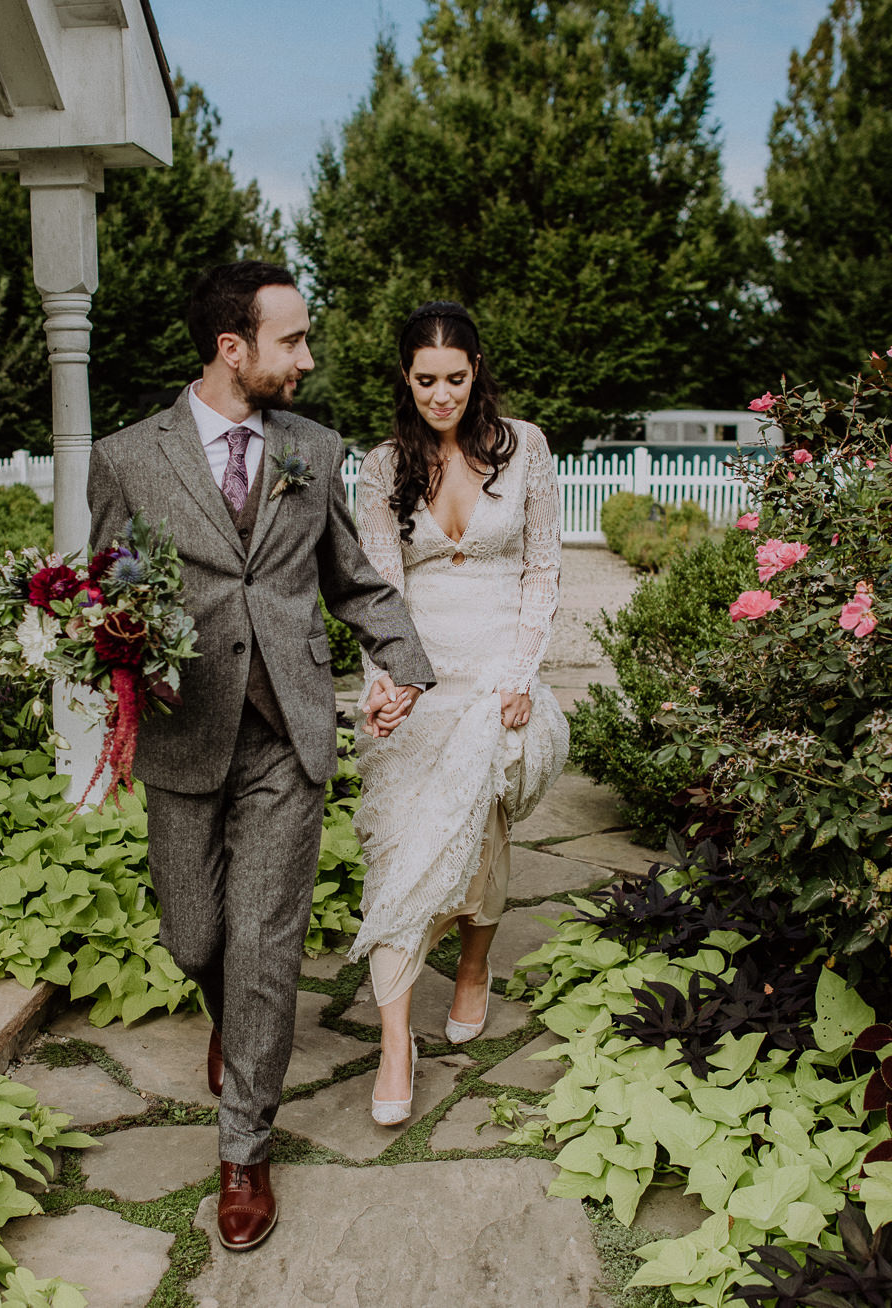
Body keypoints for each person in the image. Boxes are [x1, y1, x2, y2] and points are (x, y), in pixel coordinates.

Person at [85, 262, 433, 1252]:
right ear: (232, 349)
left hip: (287, 730)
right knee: (195, 937)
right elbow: (108, 583)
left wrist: (403, 662)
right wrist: (102, 633)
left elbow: (352, 580)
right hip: (185, 728)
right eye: (292, 340)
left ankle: (244, 1148)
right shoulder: (127, 457)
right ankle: (232, 1020)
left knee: (266, 946)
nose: (309, 357)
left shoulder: (313, 451)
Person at [348, 301, 568, 1123]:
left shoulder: (526, 447)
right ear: (406, 379)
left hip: (496, 678)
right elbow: (381, 587)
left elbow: (543, 569)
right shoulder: (381, 467)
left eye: (456, 377)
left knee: (481, 833)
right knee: (401, 851)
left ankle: (474, 965)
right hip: (418, 675)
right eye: (425, 380)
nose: (441, 395)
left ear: (477, 370)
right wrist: (389, 681)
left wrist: (520, 673)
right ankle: (395, 1040)